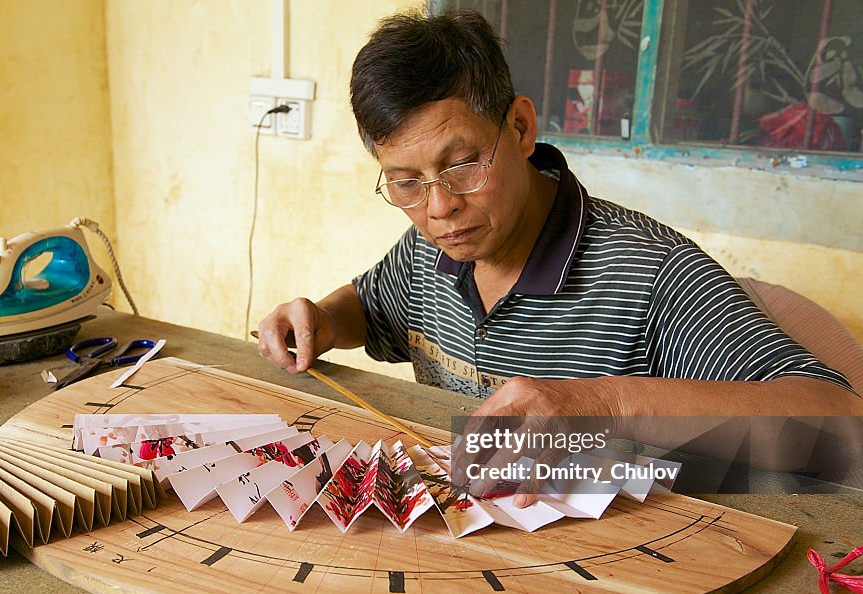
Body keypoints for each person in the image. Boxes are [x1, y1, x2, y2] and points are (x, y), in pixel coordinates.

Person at [257, 9, 863, 505]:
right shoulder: (429, 250)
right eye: (406, 181)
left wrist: (603, 405)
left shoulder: (650, 273)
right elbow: (373, 303)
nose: (439, 205)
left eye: (463, 163)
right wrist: (323, 319)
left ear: (520, 128)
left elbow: (840, 428)